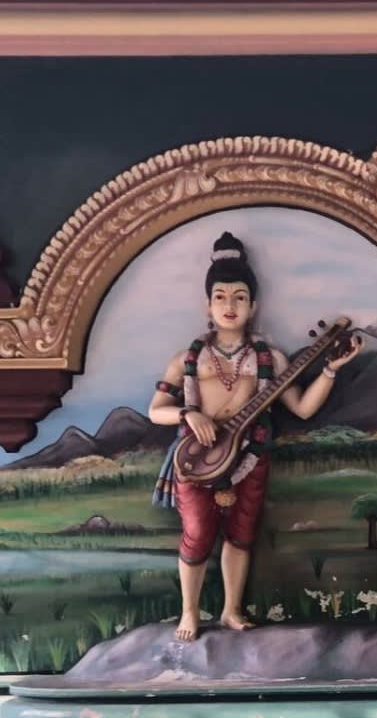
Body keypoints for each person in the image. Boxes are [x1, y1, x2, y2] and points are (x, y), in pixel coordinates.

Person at [148, 231, 361, 641]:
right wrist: (189, 413)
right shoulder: (188, 359)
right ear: (208, 305)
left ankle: (231, 610)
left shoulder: (269, 358)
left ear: (253, 306)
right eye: (221, 297)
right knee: (197, 533)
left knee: (242, 533)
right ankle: (189, 612)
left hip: (249, 454)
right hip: (196, 457)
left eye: (240, 297)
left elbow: (302, 409)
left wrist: (331, 369)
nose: (230, 306)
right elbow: (155, 410)